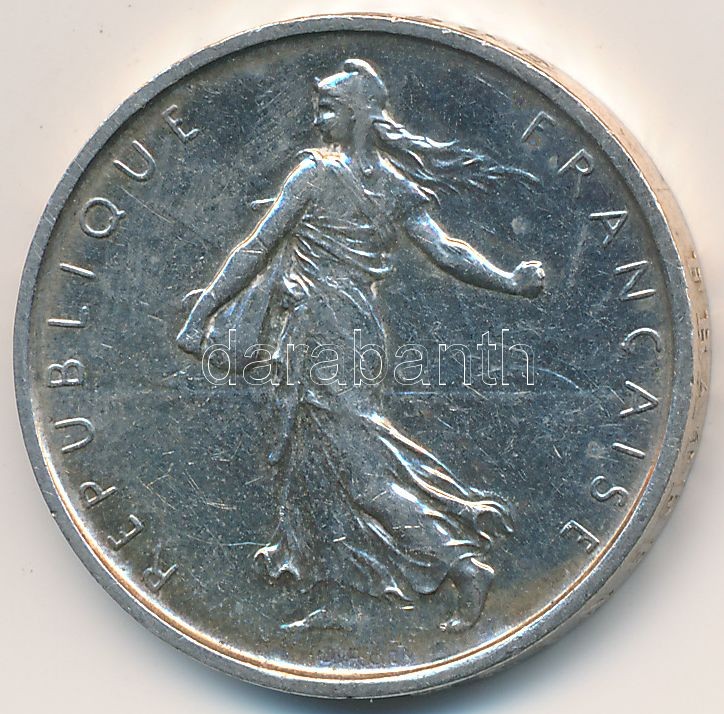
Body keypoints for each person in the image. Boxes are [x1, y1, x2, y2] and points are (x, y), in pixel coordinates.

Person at [177, 59, 545, 631]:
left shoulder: (315, 175)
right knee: (321, 464)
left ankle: (462, 564)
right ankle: (335, 590)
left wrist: (202, 313)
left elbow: (256, 248)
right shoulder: (392, 185)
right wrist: (510, 281)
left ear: (356, 115)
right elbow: (447, 251)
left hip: (321, 332)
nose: (318, 119)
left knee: (363, 474)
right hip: (356, 330)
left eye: (328, 108)